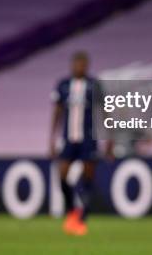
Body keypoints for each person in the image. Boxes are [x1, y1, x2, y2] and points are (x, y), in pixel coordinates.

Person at [50, 51, 107, 236]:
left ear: (87, 66)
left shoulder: (94, 85)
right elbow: (57, 113)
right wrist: (51, 139)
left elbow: (104, 112)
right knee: (62, 175)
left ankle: (83, 218)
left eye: (83, 64)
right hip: (68, 139)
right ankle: (72, 211)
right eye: (77, 64)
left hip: (89, 139)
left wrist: (110, 138)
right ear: (72, 65)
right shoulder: (63, 85)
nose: (79, 67)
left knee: (89, 176)